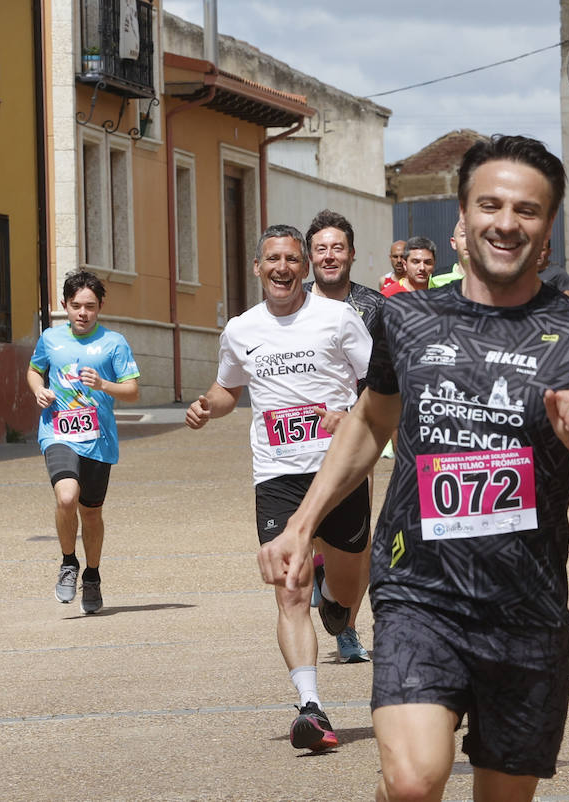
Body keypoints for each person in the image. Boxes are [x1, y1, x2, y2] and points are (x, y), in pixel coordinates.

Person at [257, 135, 569, 800]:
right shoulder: (406, 319)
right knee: (411, 782)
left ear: (548, 228)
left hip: (526, 604)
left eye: (527, 209)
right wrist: (301, 523)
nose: (506, 222)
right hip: (417, 590)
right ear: (464, 216)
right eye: (490, 204)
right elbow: (372, 421)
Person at [185, 224, 372, 751]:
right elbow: (227, 388)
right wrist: (206, 406)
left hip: (339, 470)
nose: (283, 268)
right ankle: (310, 707)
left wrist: (348, 415)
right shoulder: (242, 329)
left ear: (305, 267)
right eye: (273, 259)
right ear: (258, 267)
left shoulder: (338, 318)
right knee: (288, 588)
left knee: (349, 577)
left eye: (292, 259)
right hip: (276, 472)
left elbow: (378, 383)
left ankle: (336, 599)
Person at [28, 271, 140, 614]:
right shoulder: (50, 339)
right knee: (66, 497)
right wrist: (39, 391)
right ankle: (68, 563)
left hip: (98, 439)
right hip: (57, 432)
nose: (82, 313)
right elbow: (34, 370)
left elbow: (132, 391)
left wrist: (104, 384)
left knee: (91, 514)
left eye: (90, 307)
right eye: (76, 306)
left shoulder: (115, 343)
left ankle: (91, 575)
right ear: (64, 305)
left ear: (100, 307)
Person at [305, 208, 386, 663]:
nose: (330, 255)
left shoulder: (374, 307)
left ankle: (348, 629)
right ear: (309, 255)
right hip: (298, 439)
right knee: (314, 526)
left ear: (351, 254)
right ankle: (321, 570)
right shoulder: (291, 303)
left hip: (356, 432)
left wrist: (353, 415)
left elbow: (383, 374)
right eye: (321, 248)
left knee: (357, 539)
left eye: (338, 248)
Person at [429, 220, 468, 289]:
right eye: (463, 235)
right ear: (454, 243)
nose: (469, 241)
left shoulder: (492, 278)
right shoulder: (436, 278)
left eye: (473, 235)